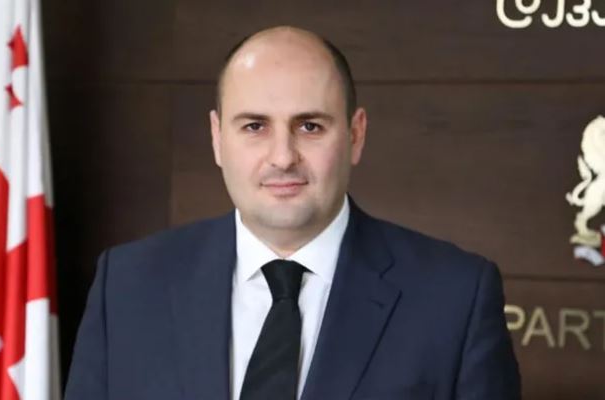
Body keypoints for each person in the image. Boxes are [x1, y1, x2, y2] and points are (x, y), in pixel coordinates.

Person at [64, 26, 521, 400]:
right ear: (217, 138)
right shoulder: (127, 285)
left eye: (310, 126)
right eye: (254, 126)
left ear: (356, 135)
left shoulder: (455, 298)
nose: (283, 157)